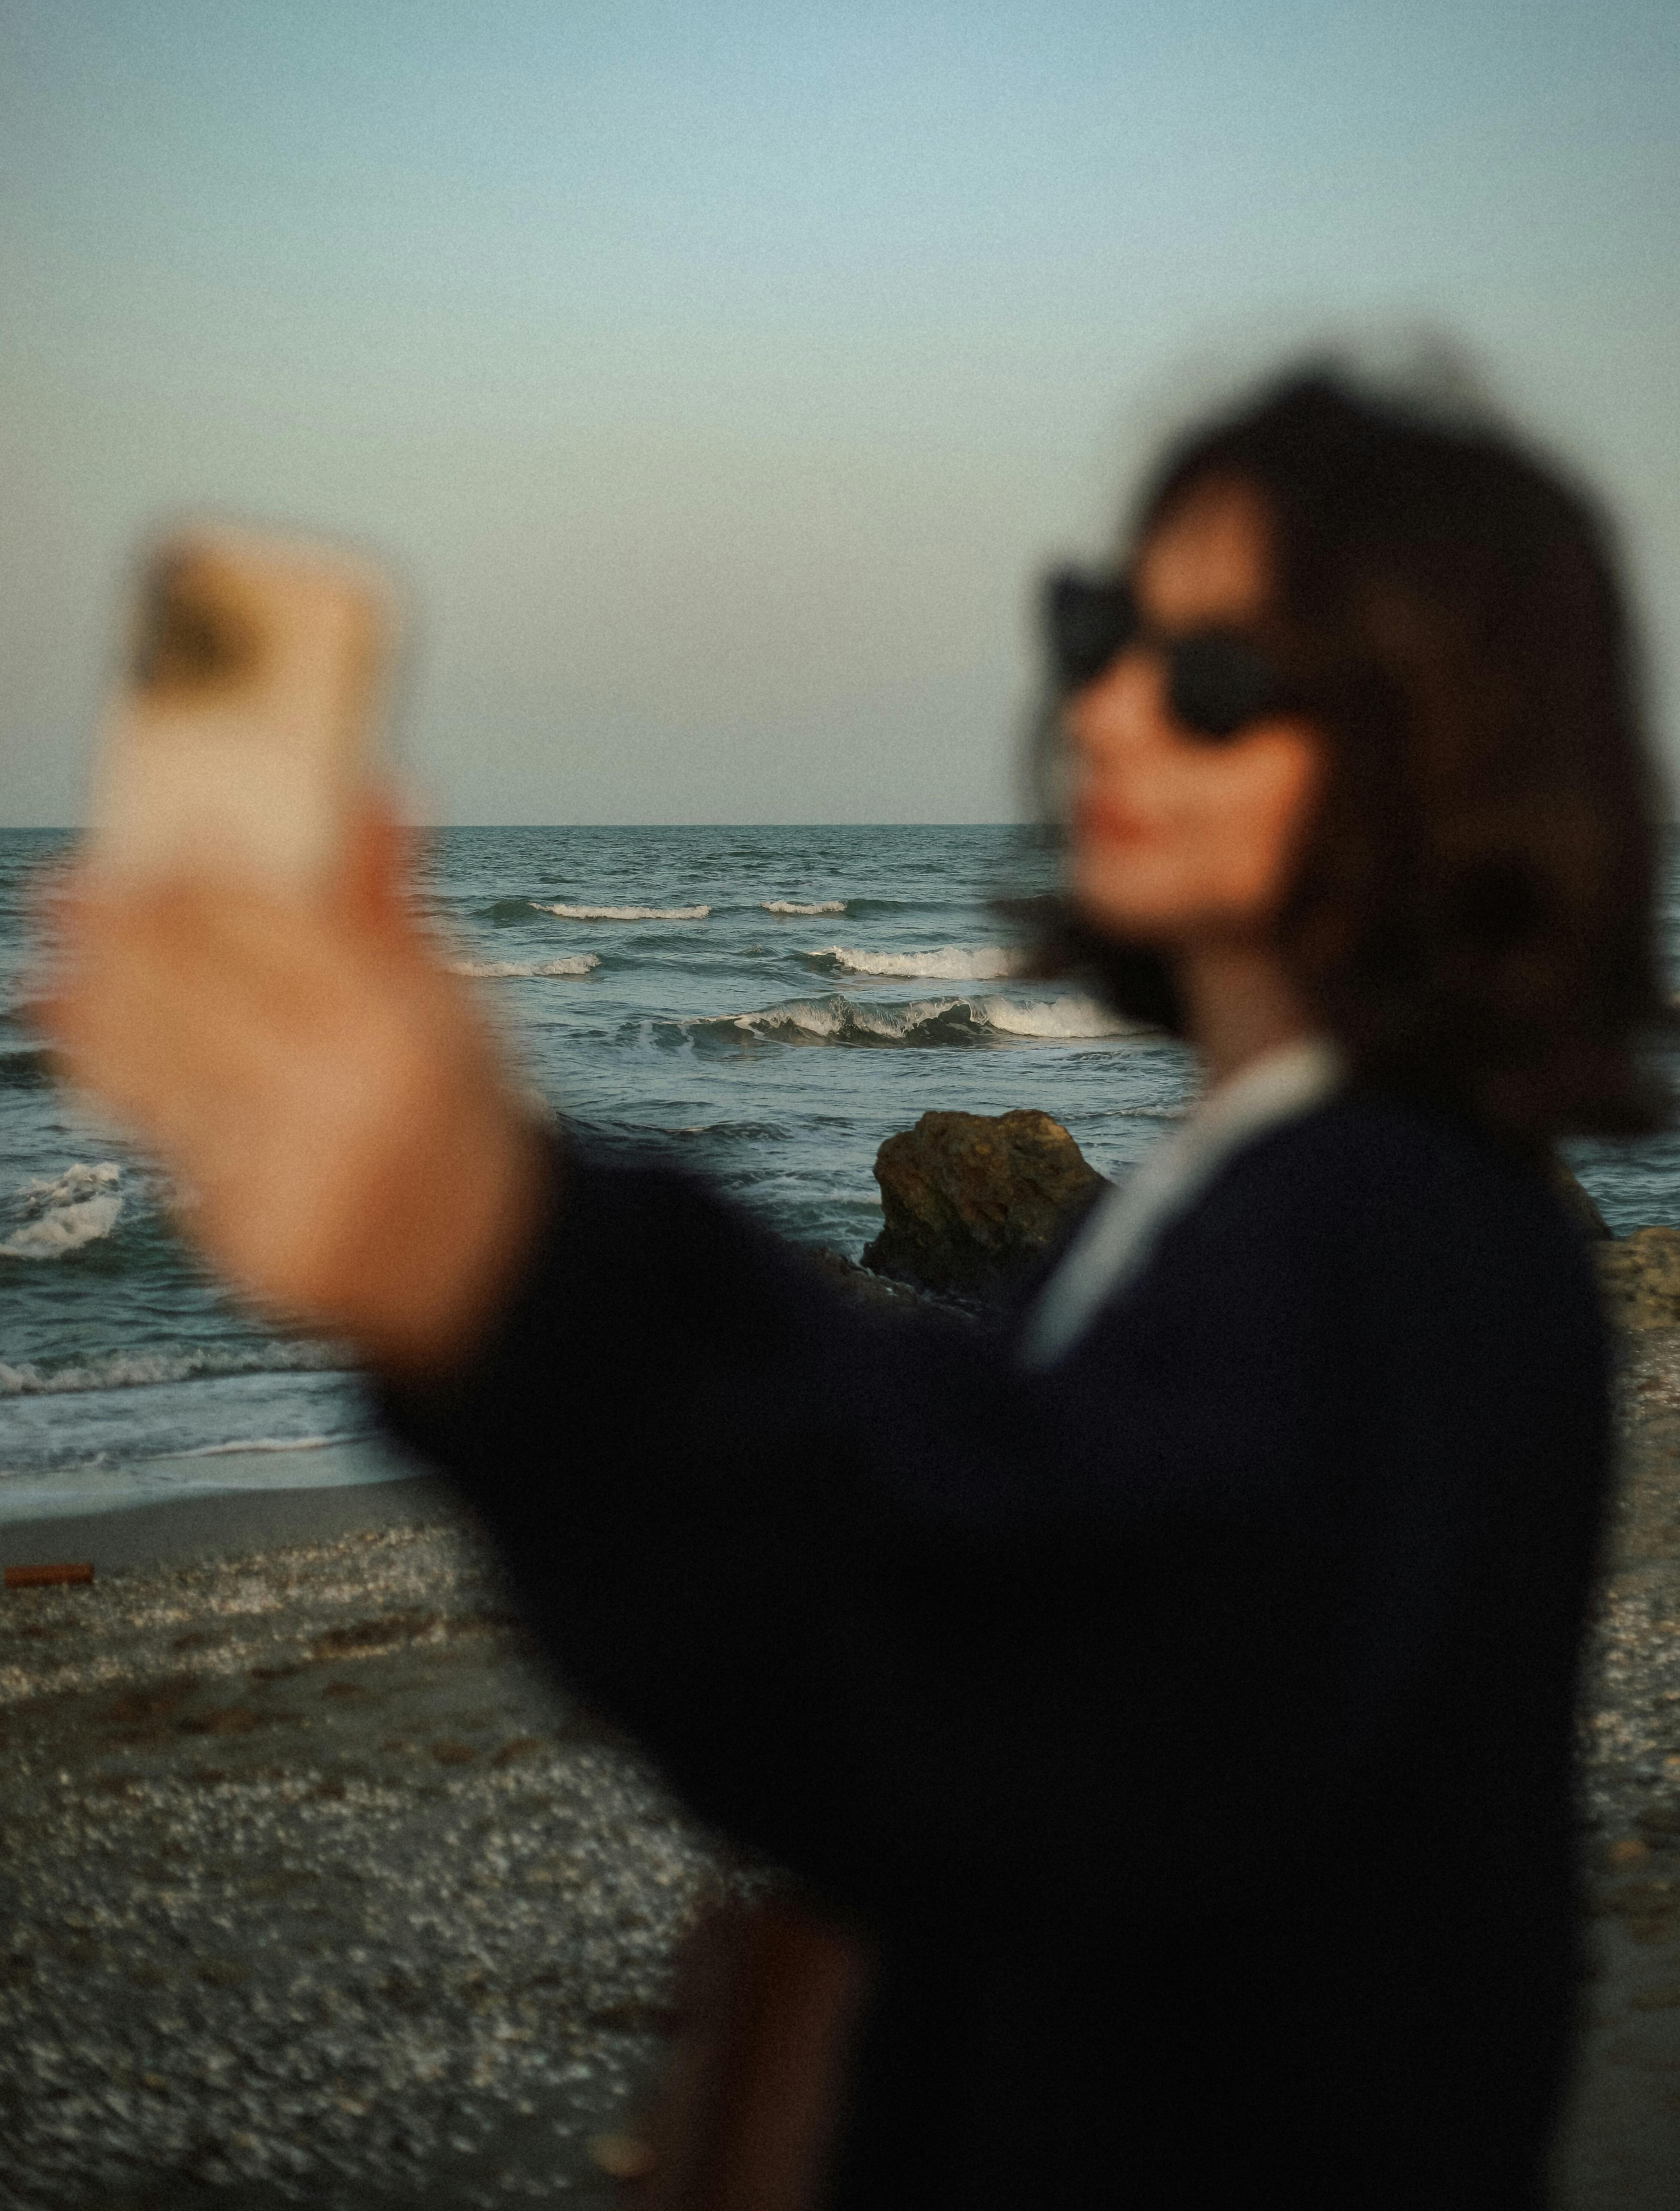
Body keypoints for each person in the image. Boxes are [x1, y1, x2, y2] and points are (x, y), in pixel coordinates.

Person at [44, 364, 1669, 2208]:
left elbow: (1028, 1666)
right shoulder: (1275, 1192)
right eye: (1103, 627)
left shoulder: (1404, 1228)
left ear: (1443, 752)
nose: (1113, 704)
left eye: (1216, 675)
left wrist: (505, 1259)